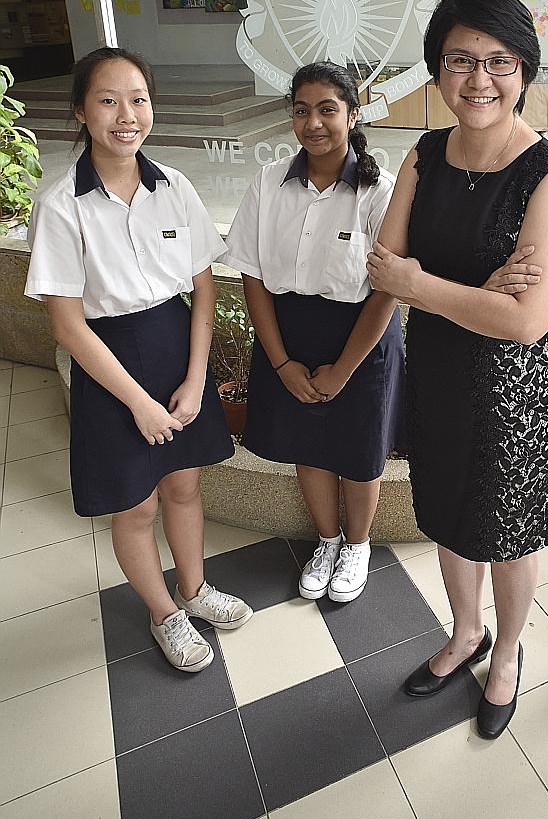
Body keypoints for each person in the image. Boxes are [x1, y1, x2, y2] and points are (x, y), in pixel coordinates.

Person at [367, 0, 548, 739]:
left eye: (499, 61)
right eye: (460, 60)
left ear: (525, 71)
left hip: (510, 396)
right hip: (438, 377)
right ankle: (464, 634)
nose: (479, 79)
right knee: (450, 523)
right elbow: (379, 266)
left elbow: (523, 323)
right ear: (436, 70)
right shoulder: (422, 154)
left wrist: (425, 286)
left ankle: (508, 652)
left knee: (507, 534)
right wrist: (469, 292)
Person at [25, 47, 252, 674]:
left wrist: (197, 376)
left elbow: (203, 287)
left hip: (178, 353)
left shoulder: (172, 186)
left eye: (139, 99)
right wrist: (140, 403)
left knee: (184, 484)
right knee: (136, 504)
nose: (127, 115)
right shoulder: (61, 205)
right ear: (80, 110)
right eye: (108, 100)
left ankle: (194, 588)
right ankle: (164, 614)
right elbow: (69, 326)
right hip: (110, 367)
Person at [224, 61, 404, 604]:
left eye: (328, 109)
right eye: (301, 111)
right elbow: (251, 272)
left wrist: (344, 368)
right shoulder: (269, 182)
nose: (314, 123)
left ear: (352, 113)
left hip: (362, 336)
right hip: (289, 331)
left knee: (358, 446)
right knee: (309, 441)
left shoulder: (380, 190)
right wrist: (280, 361)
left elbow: (387, 289)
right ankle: (326, 541)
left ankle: (357, 544)